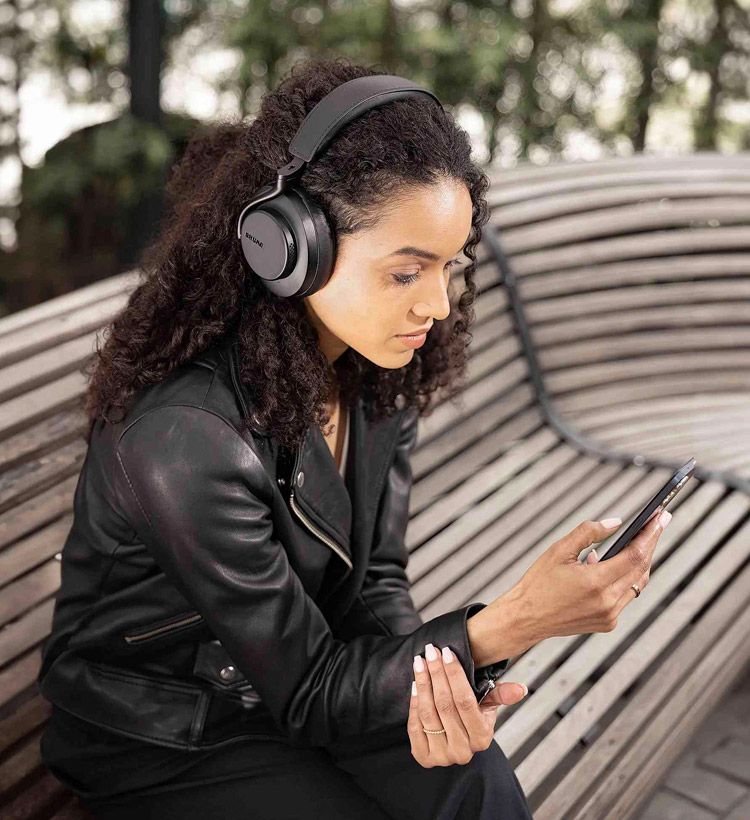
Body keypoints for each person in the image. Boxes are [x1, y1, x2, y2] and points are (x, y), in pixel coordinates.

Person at [36, 57, 670, 820]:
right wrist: (509, 622)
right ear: (289, 249)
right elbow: (308, 693)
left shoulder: (373, 371)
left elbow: (371, 586)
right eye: (406, 273)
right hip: (169, 729)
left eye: (449, 266)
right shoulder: (189, 438)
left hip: (302, 676)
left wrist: (444, 689)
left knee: (475, 782)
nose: (436, 303)